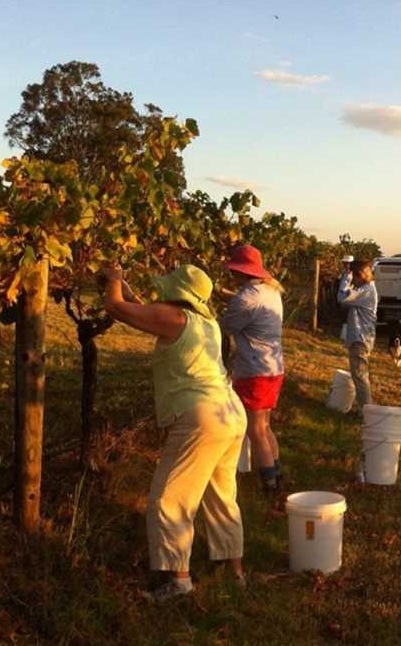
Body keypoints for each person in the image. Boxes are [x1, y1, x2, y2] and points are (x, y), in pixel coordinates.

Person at [102, 264, 247, 602]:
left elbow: (117, 308)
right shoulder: (206, 322)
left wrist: (111, 280)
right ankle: (236, 573)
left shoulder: (173, 318)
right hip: (229, 411)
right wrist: (125, 285)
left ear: (177, 291)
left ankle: (178, 582)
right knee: (221, 497)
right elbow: (143, 310)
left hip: (202, 417)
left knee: (170, 499)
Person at [219, 244, 285, 502]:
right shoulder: (270, 291)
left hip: (254, 371)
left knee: (255, 430)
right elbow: (245, 303)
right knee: (265, 427)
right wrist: (227, 295)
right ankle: (276, 475)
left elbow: (225, 324)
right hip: (273, 367)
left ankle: (269, 488)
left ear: (239, 271)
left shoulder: (246, 298)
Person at [337, 259, 378, 412]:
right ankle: (364, 409)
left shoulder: (365, 291)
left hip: (360, 338)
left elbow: (342, 298)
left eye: (354, 276)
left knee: (360, 376)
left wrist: (346, 276)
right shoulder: (366, 289)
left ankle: (365, 411)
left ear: (360, 275)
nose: (353, 280)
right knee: (359, 375)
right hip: (361, 337)